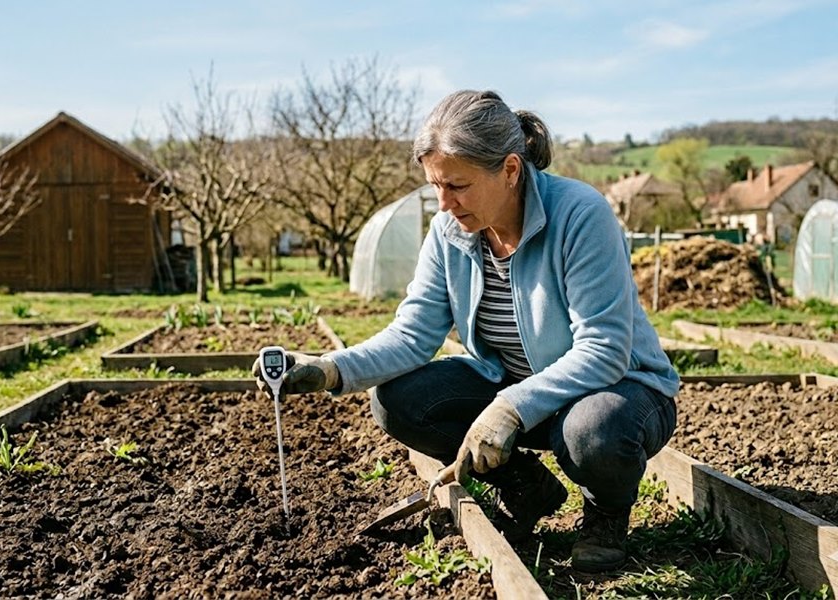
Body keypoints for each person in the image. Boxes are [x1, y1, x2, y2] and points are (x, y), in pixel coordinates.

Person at [253, 90, 679, 573]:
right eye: (436, 185)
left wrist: (511, 406)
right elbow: (413, 334)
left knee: (592, 431)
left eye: (457, 185)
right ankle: (526, 486)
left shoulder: (581, 215)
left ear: (511, 171)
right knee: (398, 400)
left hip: (619, 390)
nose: (444, 202)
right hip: (518, 391)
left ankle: (604, 513)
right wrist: (330, 369)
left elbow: (603, 350)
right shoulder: (449, 232)